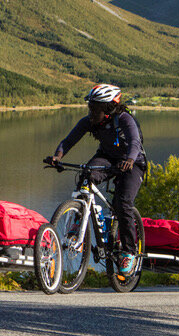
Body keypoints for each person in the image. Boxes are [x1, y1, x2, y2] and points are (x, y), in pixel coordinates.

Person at [45, 83, 148, 274]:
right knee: (86, 176)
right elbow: (69, 140)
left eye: (95, 108)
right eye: (90, 107)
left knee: (123, 203)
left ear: (108, 108)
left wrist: (130, 160)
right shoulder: (90, 121)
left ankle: (129, 252)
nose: (91, 111)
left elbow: (135, 142)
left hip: (132, 163)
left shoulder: (125, 119)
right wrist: (57, 157)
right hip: (107, 158)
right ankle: (78, 220)